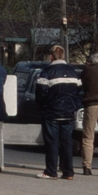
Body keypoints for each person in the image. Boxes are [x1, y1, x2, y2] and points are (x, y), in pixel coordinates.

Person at [35, 45, 81, 180]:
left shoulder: (46, 72)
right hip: (68, 112)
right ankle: (68, 172)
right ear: (64, 56)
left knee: (51, 142)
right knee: (67, 142)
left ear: (51, 57)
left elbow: (41, 93)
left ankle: (51, 171)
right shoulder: (73, 72)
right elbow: (78, 91)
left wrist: (42, 107)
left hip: (51, 112)